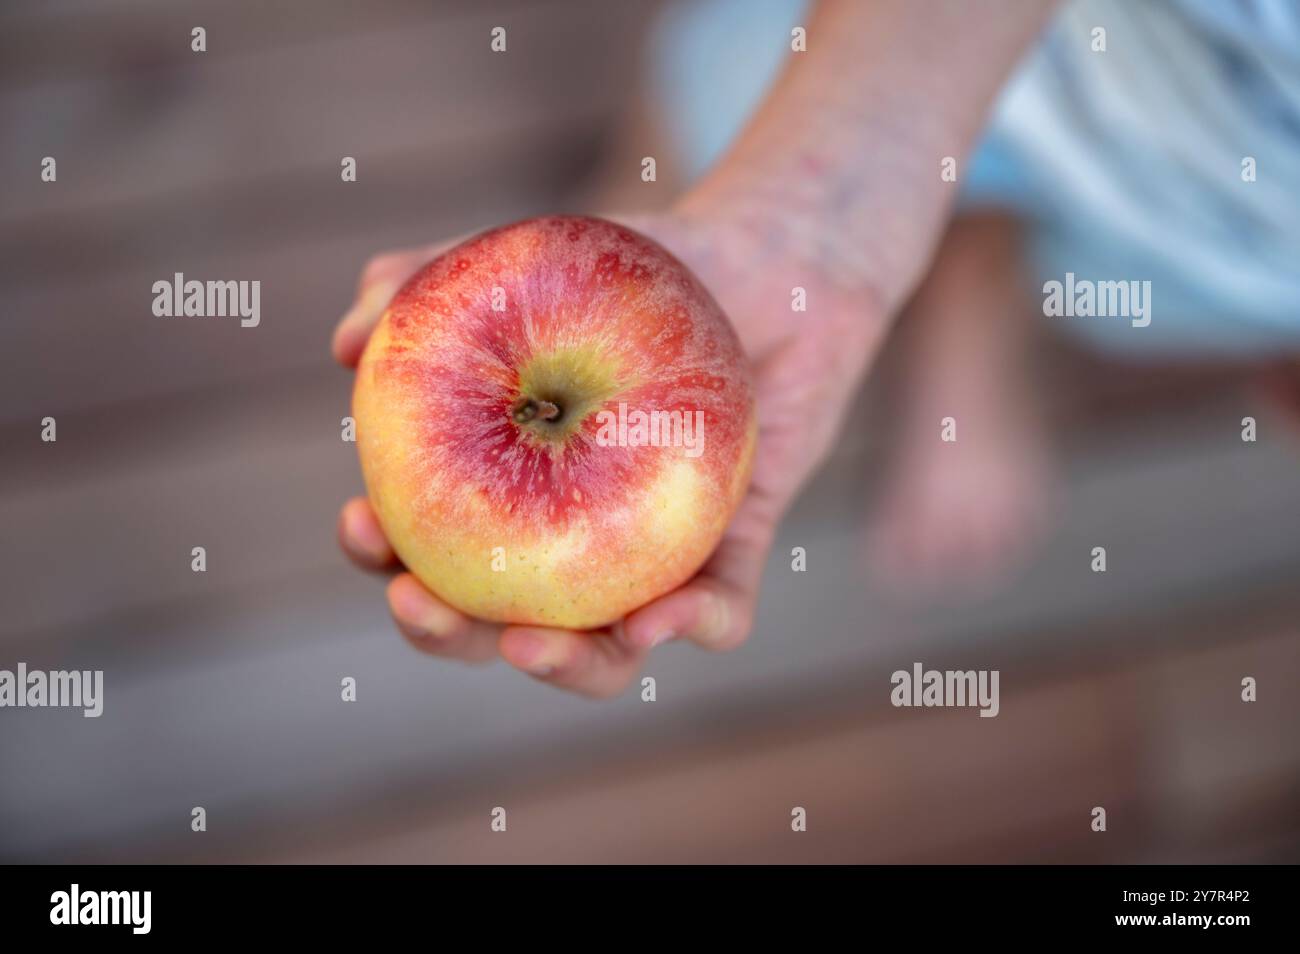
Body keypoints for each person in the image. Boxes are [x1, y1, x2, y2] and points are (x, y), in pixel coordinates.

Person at [331, 0, 1300, 697]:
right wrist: (814, 209)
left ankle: (972, 281)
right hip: (965, 45)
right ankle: (914, 253)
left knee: (1108, 283)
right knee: (694, 145)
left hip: (1221, 229)